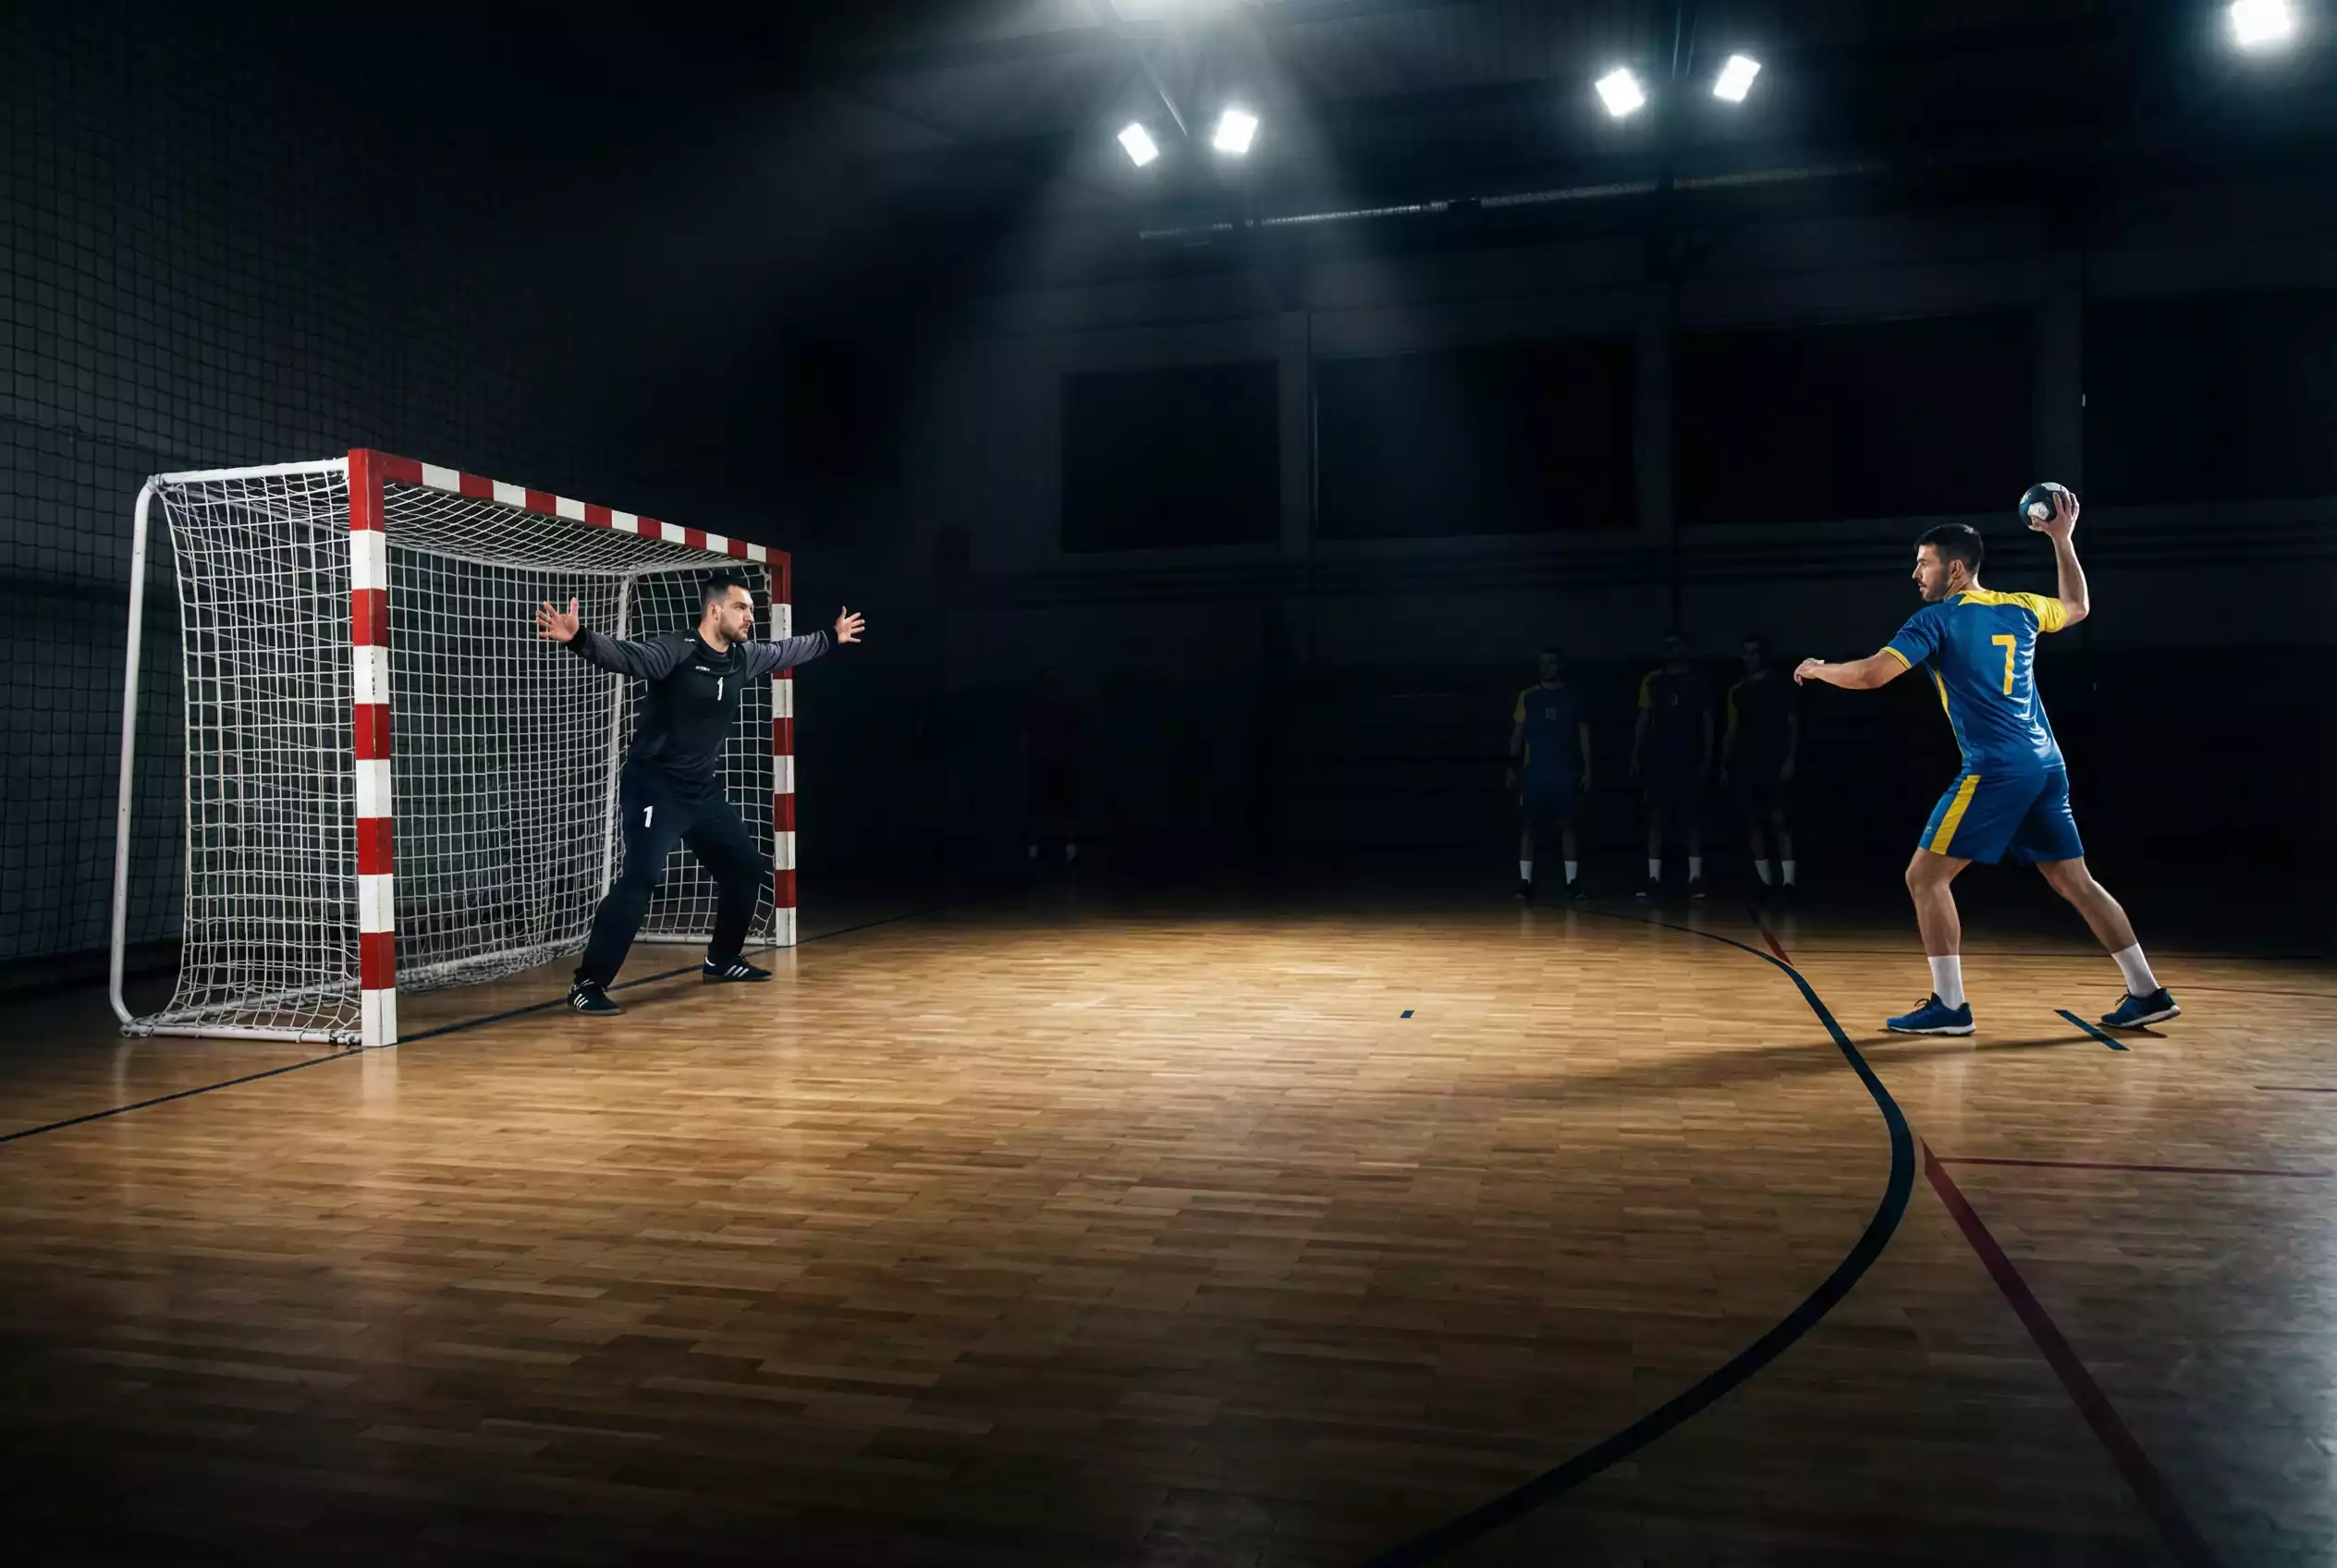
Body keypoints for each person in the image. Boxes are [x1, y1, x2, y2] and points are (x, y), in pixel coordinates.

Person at [1793, 491, 2177, 1035]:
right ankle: (2147, 991)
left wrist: (1821, 669)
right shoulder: (2020, 605)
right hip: (2046, 763)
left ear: (1954, 568)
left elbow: (1874, 674)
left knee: (1925, 878)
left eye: (1923, 563)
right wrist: (2062, 542)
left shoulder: (1938, 620)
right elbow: (2078, 607)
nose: (1915, 573)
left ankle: (1950, 1008)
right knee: (2075, 881)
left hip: (1996, 767)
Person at [533, 571, 865, 1014]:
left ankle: (722, 959)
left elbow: (787, 650)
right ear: (715, 611)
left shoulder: (743, 656)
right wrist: (581, 639)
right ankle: (587, 983)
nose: (750, 616)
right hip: (654, 787)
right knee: (641, 879)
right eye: (742, 608)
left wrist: (831, 636)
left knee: (745, 868)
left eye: (750, 609)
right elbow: (630, 657)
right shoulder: (677, 649)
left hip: (701, 792)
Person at [1630, 630, 1712, 900]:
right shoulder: (1652, 681)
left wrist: (1708, 757)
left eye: (1676, 645)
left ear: (1685, 648)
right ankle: (1653, 878)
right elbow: (1644, 720)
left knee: (1692, 822)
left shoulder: (1697, 682)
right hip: (1659, 761)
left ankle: (1695, 878)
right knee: (1656, 820)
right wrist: (1636, 755)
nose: (1672, 650)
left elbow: (1708, 722)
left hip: (1689, 759)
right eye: (1667, 646)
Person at [1507, 648, 1592, 900]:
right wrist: (1511, 767)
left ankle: (1572, 883)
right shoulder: (1528, 696)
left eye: (1551, 662)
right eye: (1542, 663)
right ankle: (1524, 882)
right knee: (1529, 825)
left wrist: (1588, 769)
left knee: (1567, 824)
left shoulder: (1574, 696)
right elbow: (1517, 734)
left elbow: (1584, 735)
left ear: (1560, 665)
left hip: (1565, 770)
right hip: (1535, 772)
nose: (1546, 667)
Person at [1722, 633, 1800, 900]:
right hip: (1747, 763)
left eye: (1754, 652)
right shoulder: (1739, 690)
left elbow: (1793, 724)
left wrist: (1790, 758)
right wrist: (1724, 763)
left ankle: (1788, 883)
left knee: (1780, 821)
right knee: (1754, 823)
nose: (1749, 657)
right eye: (1746, 653)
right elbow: (1732, 729)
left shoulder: (1781, 686)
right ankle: (1765, 882)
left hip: (1775, 762)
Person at [1022, 666, 1081, 864]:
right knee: (1038, 810)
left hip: (1060, 763)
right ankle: (1034, 851)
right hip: (1042, 764)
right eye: (1048, 681)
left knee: (1065, 809)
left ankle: (1069, 850)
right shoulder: (1035, 708)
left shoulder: (1065, 707)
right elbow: (1028, 737)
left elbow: (1074, 736)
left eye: (1054, 681)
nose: (1051, 686)